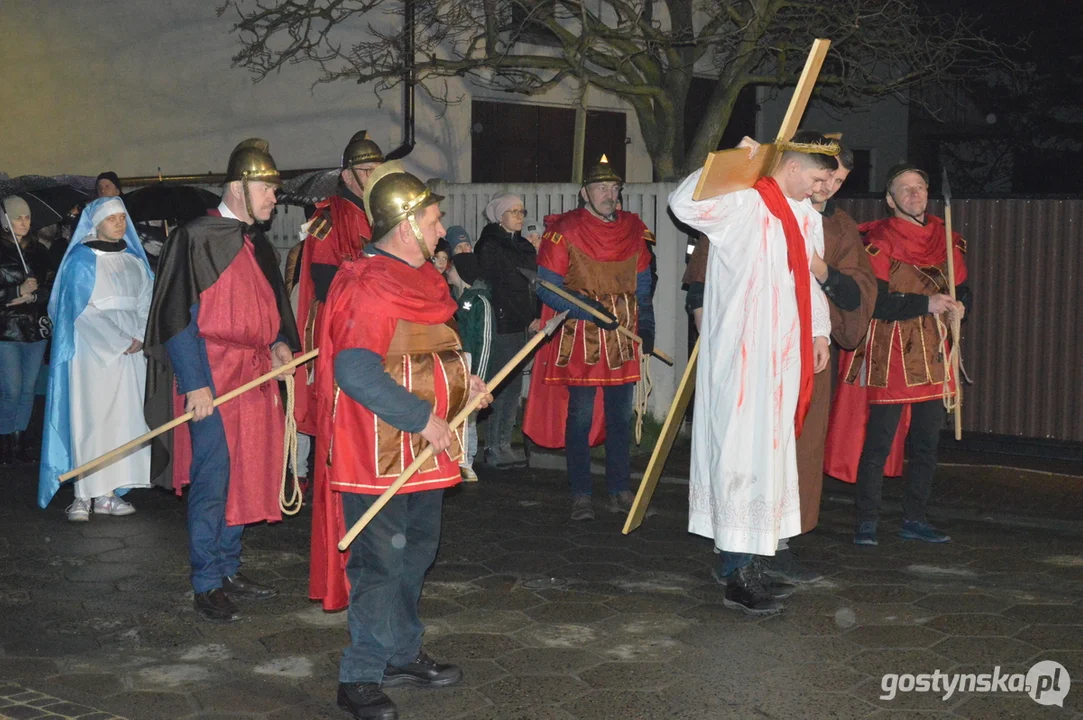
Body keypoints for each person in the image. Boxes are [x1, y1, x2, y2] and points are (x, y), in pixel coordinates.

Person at [313, 161, 491, 720]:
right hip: (381, 450)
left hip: (426, 447)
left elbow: (433, 347)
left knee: (416, 554)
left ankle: (402, 653)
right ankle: (360, 676)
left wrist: (469, 383)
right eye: (435, 220)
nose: (443, 230)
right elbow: (357, 372)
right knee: (379, 563)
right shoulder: (367, 283)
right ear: (407, 224)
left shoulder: (426, 278)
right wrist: (424, 419)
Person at [668, 135, 836, 615]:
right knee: (740, 455)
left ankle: (752, 562)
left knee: (770, 458)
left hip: (782, 356)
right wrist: (735, 164)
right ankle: (736, 573)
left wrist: (819, 333)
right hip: (743, 356)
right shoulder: (743, 202)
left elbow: (807, 279)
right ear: (794, 168)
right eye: (819, 178)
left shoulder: (805, 215)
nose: (823, 188)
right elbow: (683, 203)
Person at [143, 139, 300, 623]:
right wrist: (195, 384)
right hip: (214, 375)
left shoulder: (254, 243)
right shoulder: (194, 238)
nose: (275, 197)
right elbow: (178, 319)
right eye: (267, 189)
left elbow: (269, 305)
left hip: (253, 375)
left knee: (250, 469)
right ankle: (206, 580)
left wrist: (277, 341)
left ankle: (230, 567)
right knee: (214, 479)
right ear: (238, 187)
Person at [829, 163, 970, 547]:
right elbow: (874, 302)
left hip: (936, 350)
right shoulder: (876, 240)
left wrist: (959, 308)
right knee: (879, 441)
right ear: (890, 200)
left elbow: (962, 291)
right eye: (904, 189)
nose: (915, 193)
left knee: (926, 443)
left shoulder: (948, 239)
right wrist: (927, 303)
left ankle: (915, 518)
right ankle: (867, 521)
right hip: (890, 349)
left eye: (920, 187)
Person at [524, 156, 655, 521]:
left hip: (623, 336)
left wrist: (648, 326)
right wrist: (589, 312)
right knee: (579, 420)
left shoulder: (633, 229)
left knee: (619, 419)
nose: (609, 195)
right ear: (585, 192)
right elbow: (548, 288)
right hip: (582, 337)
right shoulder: (564, 229)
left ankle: (619, 488)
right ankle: (580, 492)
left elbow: (643, 285)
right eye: (601, 189)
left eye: (614, 189)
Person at [295, 132, 385, 613]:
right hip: (342, 337)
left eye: (377, 171)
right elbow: (327, 285)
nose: (372, 179)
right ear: (348, 174)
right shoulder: (328, 219)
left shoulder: (385, 211)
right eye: (365, 172)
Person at [38, 197, 154, 520]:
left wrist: (141, 336)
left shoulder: (134, 260)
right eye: (111, 218)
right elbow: (79, 310)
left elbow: (148, 300)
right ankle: (82, 494)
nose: (119, 223)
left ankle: (108, 492)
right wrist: (119, 339)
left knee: (122, 420)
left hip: (130, 353)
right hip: (93, 353)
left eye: (121, 217)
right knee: (91, 419)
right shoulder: (80, 261)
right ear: (95, 224)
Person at [474, 192, 538, 469]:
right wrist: (527, 316)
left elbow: (532, 284)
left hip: (523, 322)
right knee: (499, 384)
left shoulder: (522, 246)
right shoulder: (491, 245)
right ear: (500, 216)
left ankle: (503, 443)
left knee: (513, 385)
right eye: (513, 211)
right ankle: (492, 446)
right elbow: (503, 288)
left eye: (522, 211)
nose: (519, 216)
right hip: (505, 322)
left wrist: (535, 315)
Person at [1, 196, 52, 465]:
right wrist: (15, 291)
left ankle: (19, 441)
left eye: (28, 217)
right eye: (18, 217)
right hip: (6, 329)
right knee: (11, 388)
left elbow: (52, 288)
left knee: (28, 388)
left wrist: (33, 296)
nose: (24, 222)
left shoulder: (40, 252)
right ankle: (5, 439)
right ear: (5, 220)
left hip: (34, 328)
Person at [447, 252, 494, 482]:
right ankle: (459, 458)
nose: (449, 271)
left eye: (452, 268)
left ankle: (467, 461)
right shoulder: (459, 299)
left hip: (472, 362)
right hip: (459, 361)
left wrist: (481, 375)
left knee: (469, 415)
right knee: (460, 411)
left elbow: (484, 341)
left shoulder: (480, 301)